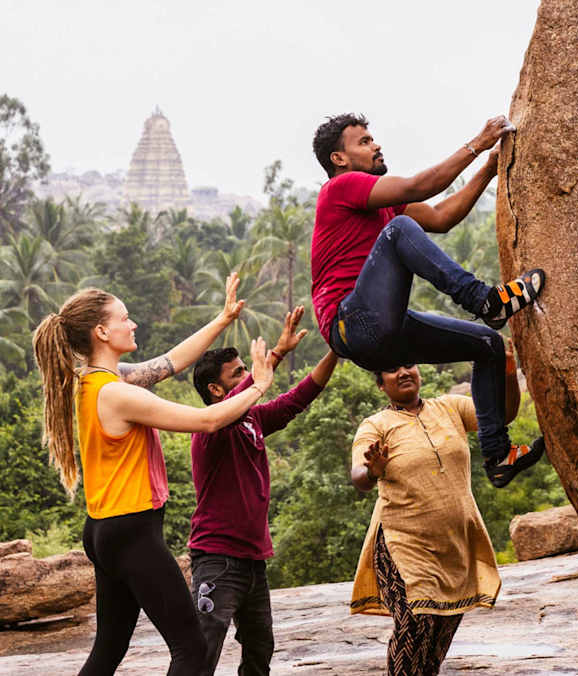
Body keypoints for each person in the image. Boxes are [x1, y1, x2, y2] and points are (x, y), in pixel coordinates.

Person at [33, 273, 276, 676]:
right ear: (101, 331)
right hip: (131, 532)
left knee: (109, 649)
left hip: (104, 530)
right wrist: (258, 386)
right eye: (124, 318)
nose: (133, 324)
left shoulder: (95, 381)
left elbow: (172, 363)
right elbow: (209, 420)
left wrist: (222, 319)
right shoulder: (118, 392)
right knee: (192, 648)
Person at [310, 112, 544, 487]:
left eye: (373, 139)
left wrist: (488, 169)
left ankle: (498, 455)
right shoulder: (341, 188)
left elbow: (440, 216)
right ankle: (486, 301)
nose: (376, 145)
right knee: (399, 230)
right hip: (349, 323)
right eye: (364, 142)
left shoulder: (380, 203)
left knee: (488, 345)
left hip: (382, 335)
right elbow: (421, 186)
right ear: (339, 159)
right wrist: (477, 144)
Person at [348, 341, 538, 675]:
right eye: (393, 369)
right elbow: (358, 476)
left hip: (454, 545)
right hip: (402, 544)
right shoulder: (375, 425)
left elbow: (502, 414)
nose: (404, 371)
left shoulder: (450, 407)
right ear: (381, 384)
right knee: (416, 624)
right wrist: (373, 470)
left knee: (438, 638)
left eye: (408, 363)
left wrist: (508, 370)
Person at [187, 306, 339, 675]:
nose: (246, 377)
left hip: (254, 560)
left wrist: (338, 349)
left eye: (245, 370)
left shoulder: (252, 419)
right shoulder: (208, 430)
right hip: (217, 557)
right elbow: (241, 398)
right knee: (202, 651)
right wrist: (273, 358)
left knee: (260, 651)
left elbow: (299, 397)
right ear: (215, 389)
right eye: (237, 374)